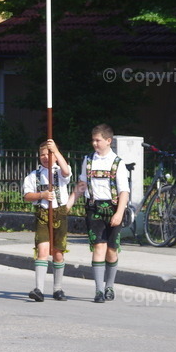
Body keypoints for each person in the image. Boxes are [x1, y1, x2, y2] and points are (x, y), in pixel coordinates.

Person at [71, 124, 130, 303]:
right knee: (98, 246)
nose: (94, 143)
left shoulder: (117, 163)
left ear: (108, 141)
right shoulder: (88, 160)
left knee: (111, 250)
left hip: (113, 208)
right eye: (93, 140)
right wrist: (70, 202)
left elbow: (124, 191)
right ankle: (98, 290)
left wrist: (119, 213)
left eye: (98, 140)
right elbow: (82, 184)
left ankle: (109, 286)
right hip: (93, 208)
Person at [21, 139, 72, 301]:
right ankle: (39, 289)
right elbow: (27, 196)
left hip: (60, 214)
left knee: (58, 253)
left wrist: (55, 150)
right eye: (42, 154)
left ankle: (58, 289)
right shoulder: (33, 176)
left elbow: (66, 172)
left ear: (55, 156)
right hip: (43, 215)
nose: (45, 157)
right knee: (42, 251)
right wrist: (41, 195)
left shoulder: (59, 172)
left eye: (48, 154)